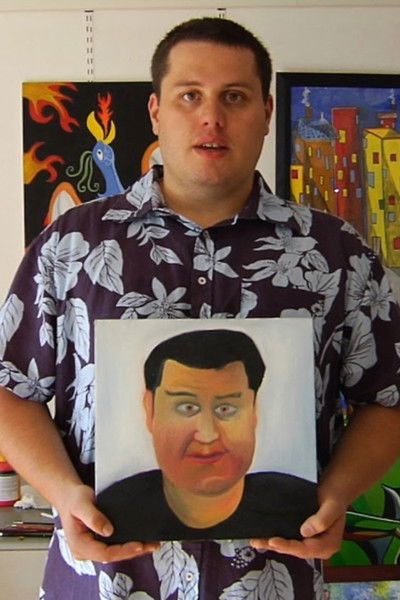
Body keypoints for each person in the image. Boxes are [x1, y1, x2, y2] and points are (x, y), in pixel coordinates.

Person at [0, 15, 399, 600]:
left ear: (266, 111)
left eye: (234, 96)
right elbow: (10, 390)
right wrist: (62, 492)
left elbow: (387, 399)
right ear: (156, 111)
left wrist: (337, 494)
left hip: (274, 582)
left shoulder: (337, 252)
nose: (212, 117)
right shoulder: (71, 245)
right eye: (190, 95)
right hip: (104, 583)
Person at [96, 329, 318, 542]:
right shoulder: (112, 510)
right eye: (186, 408)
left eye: (226, 409)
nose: (207, 435)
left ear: (254, 411)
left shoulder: (304, 508)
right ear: (150, 411)